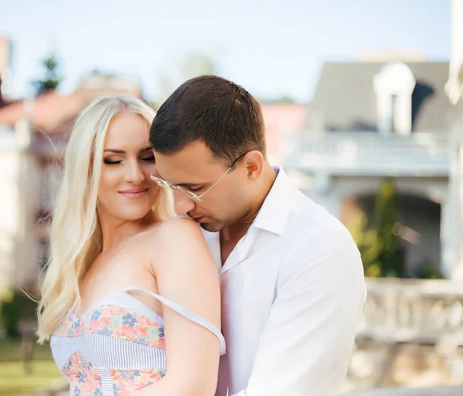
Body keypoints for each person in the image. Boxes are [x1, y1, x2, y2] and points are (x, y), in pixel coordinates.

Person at [149, 75, 367, 396]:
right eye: (170, 186)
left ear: (251, 166)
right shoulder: (183, 237)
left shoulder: (319, 249)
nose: (179, 205)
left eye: (193, 188)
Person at [36, 95, 225, 395]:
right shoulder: (87, 261)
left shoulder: (174, 239)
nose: (135, 175)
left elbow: (193, 386)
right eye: (113, 160)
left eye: (147, 157)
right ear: (85, 169)